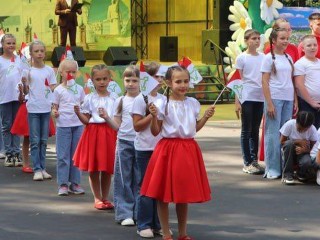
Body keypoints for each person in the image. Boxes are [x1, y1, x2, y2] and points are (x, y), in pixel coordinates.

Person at [140, 66, 214, 240]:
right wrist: (152, 117)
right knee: (163, 193)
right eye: (178, 81)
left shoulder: (193, 103)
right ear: (168, 83)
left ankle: (183, 232)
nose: (183, 85)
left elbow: (193, 128)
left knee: (183, 193)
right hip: (168, 149)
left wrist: (205, 117)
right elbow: (155, 131)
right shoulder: (161, 104)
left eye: (186, 81)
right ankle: (166, 232)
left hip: (188, 149)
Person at [73, 64, 118, 210]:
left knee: (107, 167)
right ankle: (97, 197)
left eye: (105, 78)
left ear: (110, 79)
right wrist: (78, 113)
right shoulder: (89, 98)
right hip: (93, 133)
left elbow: (117, 119)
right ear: (92, 81)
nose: (102, 82)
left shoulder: (115, 98)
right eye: (98, 79)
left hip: (109, 132)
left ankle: (105, 197)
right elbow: (86, 120)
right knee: (94, 167)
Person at [131, 61, 164, 238]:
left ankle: (158, 223)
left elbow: (163, 124)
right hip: (144, 148)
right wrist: (151, 115)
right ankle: (143, 223)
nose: (159, 80)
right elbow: (136, 126)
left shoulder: (163, 99)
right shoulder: (139, 99)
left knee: (159, 187)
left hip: (161, 147)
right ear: (148, 78)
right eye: (156, 76)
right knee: (145, 186)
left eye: (161, 77)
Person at [261, 27, 297, 179]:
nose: (285, 41)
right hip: (275, 99)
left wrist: (295, 99)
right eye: (282, 39)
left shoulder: (289, 57)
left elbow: (291, 80)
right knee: (272, 133)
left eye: (287, 38)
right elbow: (264, 81)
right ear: (274, 41)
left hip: (288, 99)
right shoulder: (268, 58)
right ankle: (272, 169)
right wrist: (269, 103)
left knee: (285, 134)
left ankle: (284, 167)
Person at [22, 40, 57, 181]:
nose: (39, 53)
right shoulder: (28, 71)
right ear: (31, 54)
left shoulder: (49, 70)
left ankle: (43, 168)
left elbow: (53, 88)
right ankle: (36, 168)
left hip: (45, 108)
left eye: (42, 51)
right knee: (35, 140)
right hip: (33, 109)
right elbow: (25, 91)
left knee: (43, 140)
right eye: (36, 51)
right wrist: (24, 84)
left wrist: (55, 104)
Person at [52, 59, 85, 196]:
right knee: (63, 155)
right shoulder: (58, 90)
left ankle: (75, 183)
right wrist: (55, 112)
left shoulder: (80, 89)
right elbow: (54, 106)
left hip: (77, 125)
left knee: (76, 156)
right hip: (63, 125)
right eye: (68, 72)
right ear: (61, 72)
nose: (71, 74)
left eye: (73, 72)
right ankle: (63, 184)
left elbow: (83, 103)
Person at [113, 65, 140, 226]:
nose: (130, 84)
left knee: (139, 177)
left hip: (140, 143)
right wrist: (106, 118)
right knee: (123, 177)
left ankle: (138, 211)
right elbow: (116, 123)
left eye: (134, 80)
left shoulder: (144, 100)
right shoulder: (120, 100)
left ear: (140, 81)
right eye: (128, 80)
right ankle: (124, 212)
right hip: (123, 141)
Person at [235, 29, 265, 175]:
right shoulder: (242, 58)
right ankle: (247, 162)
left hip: (260, 97)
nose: (257, 41)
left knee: (255, 129)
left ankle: (254, 160)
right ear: (246, 41)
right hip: (247, 97)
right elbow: (238, 80)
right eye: (253, 38)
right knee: (246, 130)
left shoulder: (263, 57)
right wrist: (237, 101)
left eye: (258, 38)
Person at [0, 34, 23, 167]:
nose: (11, 45)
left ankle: (16, 152)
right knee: (6, 125)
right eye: (8, 43)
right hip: (4, 97)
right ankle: (8, 153)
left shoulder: (20, 60)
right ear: (3, 45)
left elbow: (25, 76)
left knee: (16, 126)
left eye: (13, 43)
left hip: (18, 97)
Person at [280, 111, 318, 185]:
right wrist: (297, 141)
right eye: (299, 128)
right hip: (290, 151)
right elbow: (282, 142)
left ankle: (301, 173)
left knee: (307, 162)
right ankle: (287, 174)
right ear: (296, 121)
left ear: (310, 126)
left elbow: (314, 149)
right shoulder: (290, 124)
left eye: (305, 129)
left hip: (304, 153)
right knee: (289, 144)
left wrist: (305, 150)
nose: (302, 131)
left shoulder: (313, 129)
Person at [294, 35, 320, 129]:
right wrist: (312, 102)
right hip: (307, 104)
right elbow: (299, 85)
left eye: (315, 45)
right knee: (308, 131)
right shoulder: (300, 64)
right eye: (309, 45)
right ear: (303, 48)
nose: (313, 47)